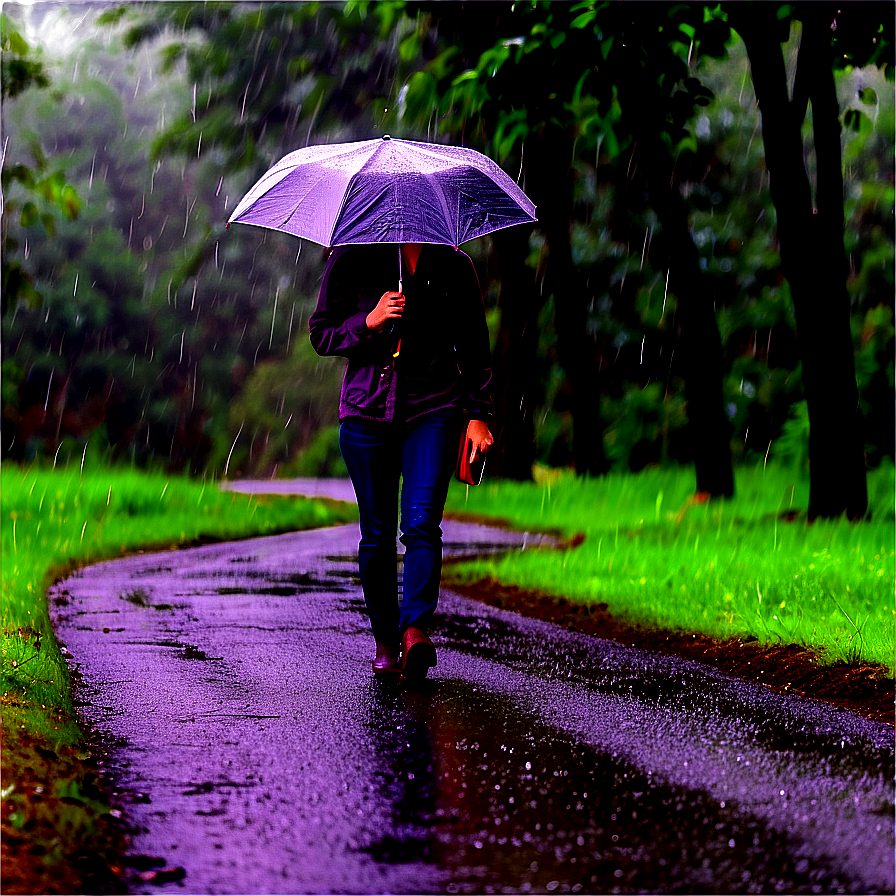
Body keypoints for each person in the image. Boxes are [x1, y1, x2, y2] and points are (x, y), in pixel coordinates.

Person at [309, 242, 494, 679]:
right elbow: (321, 333)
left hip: (435, 407)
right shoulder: (353, 257)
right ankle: (386, 640)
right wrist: (368, 321)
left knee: (421, 521)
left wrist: (479, 415)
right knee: (376, 533)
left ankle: (415, 631)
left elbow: (474, 343)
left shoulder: (454, 264)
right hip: (366, 409)